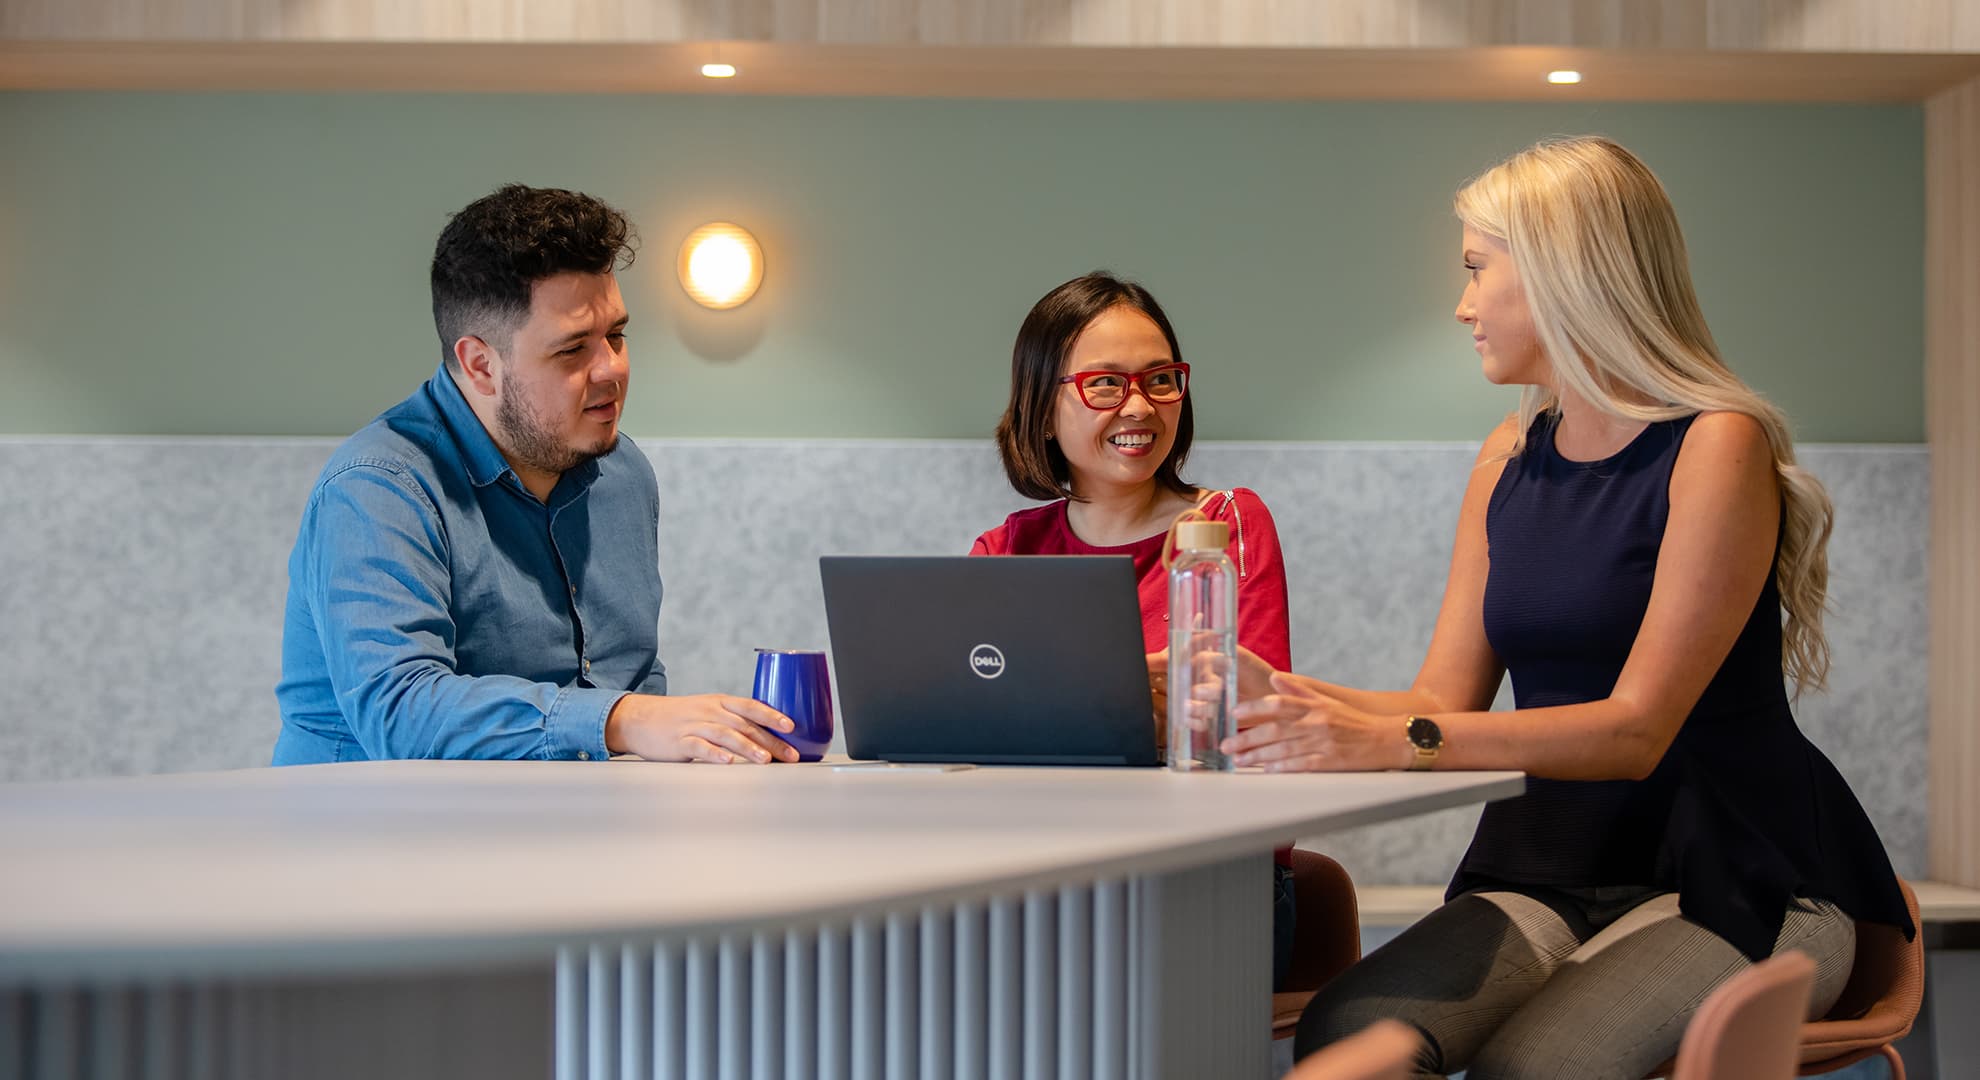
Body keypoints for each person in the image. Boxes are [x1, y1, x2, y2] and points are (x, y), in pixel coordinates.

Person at [1208, 137, 1911, 1078]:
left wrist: (1389, 741)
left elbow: (1634, 732)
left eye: (1474, 270)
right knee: (1347, 1035)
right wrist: (1284, 694)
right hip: (1549, 867)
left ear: (1564, 275)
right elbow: (1442, 700)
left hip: (1740, 869)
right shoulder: (1507, 454)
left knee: (1537, 1070)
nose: (1461, 306)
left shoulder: (1716, 446)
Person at [274, 184, 798, 767]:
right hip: (374, 846)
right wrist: (621, 719)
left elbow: (635, 678)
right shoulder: (378, 487)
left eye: (617, 336)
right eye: (573, 349)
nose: (612, 369)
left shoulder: (623, 474)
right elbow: (402, 711)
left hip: (564, 838)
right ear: (480, 364)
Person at [970, 271, 1298, 987]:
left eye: (1160, 380)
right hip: (1042, 877)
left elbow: (1249, 732)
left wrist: (1072, 713)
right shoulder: (1006, 551)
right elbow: (967, 733)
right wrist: (1136, 709)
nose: (1141, 406)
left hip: (1203, 882)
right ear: (1043, 404)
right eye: (1106, 385)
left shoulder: (1226, 527)